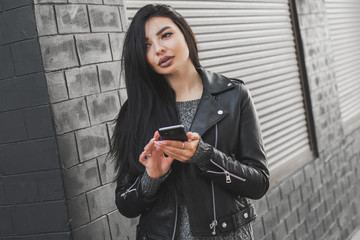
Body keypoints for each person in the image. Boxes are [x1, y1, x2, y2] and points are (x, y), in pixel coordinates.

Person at [110, 4, 269, 240]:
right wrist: (151, 177)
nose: (159, 49)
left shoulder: (234, 96)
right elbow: (126, 205)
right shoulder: (137, 111)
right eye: (147, 46)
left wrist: (205, 156)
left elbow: (259, 183)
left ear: (185, 33)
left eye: (165, 35)